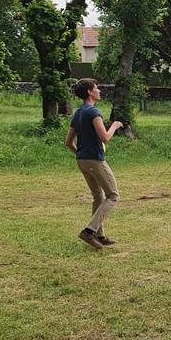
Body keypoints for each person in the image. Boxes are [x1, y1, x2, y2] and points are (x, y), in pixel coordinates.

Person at [64, 78, 122, 250]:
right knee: (113, 195)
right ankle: (89, 231)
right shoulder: (93, 112)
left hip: (82, 160)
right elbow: (105, 137)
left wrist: (81, 156)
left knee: (98, 197)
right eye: (96, 88)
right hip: (95, 160)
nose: (99, 90)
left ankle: (99, 235)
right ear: (90, 92)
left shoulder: (78, 112)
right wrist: (115, 126)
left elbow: (68, 142)